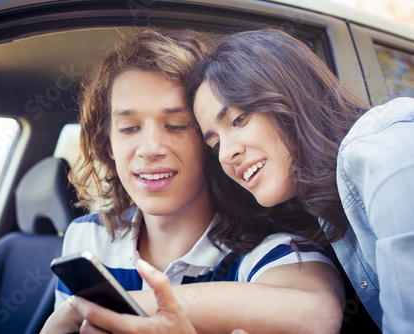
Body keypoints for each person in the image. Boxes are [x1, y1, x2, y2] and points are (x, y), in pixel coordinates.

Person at [40, 29, 344, 334]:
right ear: (109, 146)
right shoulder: (88, 237)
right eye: (129, 128)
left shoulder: (267, 249)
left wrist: (88, 308)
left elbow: (316, 315)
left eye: (175, 126)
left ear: (209, 144)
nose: (149, 149)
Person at [190, 28, 414, 333]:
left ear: (290, 94)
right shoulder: (321, 215)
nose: (227, 154)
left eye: (239, 119)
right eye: (215, 144)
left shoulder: (381, 148)